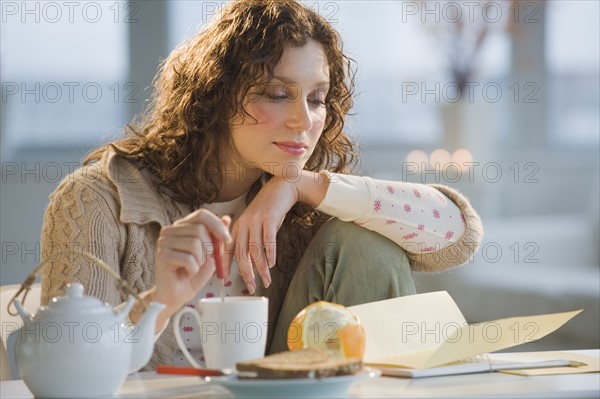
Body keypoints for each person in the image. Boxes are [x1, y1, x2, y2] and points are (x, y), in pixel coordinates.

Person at [40, 0, 483, 369]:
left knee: (368, 243)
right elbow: (62, 368)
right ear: (214, 94)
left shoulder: (295, 198)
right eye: (276, 93)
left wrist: (295, 185)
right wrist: (158, 300)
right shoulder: (98, 199)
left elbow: (456, 234)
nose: (303, 120)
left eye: (316, 98)